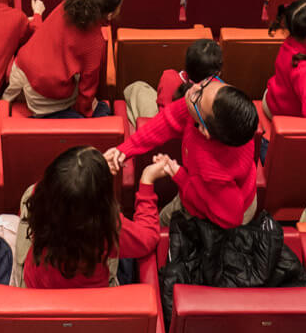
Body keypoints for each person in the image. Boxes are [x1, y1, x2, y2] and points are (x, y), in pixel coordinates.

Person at [107, 74, 260, 228]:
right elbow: (168, 119)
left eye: (197, 97)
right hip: (214, 190)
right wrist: (125, 150)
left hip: (220, 212)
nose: (194, 87)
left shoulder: (211, 167)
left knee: (163, 223)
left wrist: (180, 176)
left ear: (204, 130)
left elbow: (230, 217)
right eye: (206, 83)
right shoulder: (210, 101)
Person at [18, 145, 172, 288]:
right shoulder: (108, 227)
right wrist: (146, 181)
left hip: (37, 285)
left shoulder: (40, 197)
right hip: (92, 296)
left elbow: (66, 188)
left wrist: (91, 171)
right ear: (101, 201)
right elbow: (148, 238)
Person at [6, 0, 120, 118]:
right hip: (41, 92)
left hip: (19, 67)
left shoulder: (67, 5)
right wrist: (86, 114)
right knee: (101, 108)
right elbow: (87, 90)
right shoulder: (95, 42)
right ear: (109, 15)